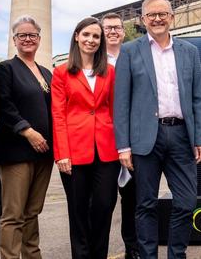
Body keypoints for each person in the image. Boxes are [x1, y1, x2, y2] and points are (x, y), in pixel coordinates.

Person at [114, 0, 201, 259]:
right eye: (151, 15)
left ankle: (176, 255)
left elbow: (199, 97)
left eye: (162, 14)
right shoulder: (130, 51)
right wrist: (123, 146)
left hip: (182, 136)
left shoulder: (190, 51)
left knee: (186, 203)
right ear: (143, 20)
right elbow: (121, 103)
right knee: (145, 204)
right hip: (145, 139)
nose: (157, 19)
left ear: (172, 18)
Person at [52, 17, 119, 259]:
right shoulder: (61, 73)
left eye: (96, 36)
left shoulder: (109, 72)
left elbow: (114, 110)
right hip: (74, 151)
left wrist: (121, 147)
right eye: (87, 35)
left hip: (106, 148)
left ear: (101, 42)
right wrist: (62, 153)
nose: (91, 40)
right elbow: (57, 115)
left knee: (104, 205)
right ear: (76, 37)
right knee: (78, 211)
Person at [0, 16, 54, 259]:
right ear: (14, 39)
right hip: (16, 150)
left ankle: (32, 256)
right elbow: (3, 105)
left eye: (32, 35)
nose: (27, 39)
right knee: (13, 214)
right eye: (22, 35)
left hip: (44, 152)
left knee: (33, 211)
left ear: (39, 39)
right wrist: (28, 131)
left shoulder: (46, 72)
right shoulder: (6, 68)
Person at [103, 12, 140, 259]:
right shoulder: (93, 61)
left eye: (117, 27)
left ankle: (133, 249)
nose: (113, 31)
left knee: (133, 200)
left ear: (123, 31)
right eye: (108, 28)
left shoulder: (134, 56)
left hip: (134, 137)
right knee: (104, 202)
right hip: (104, 137)